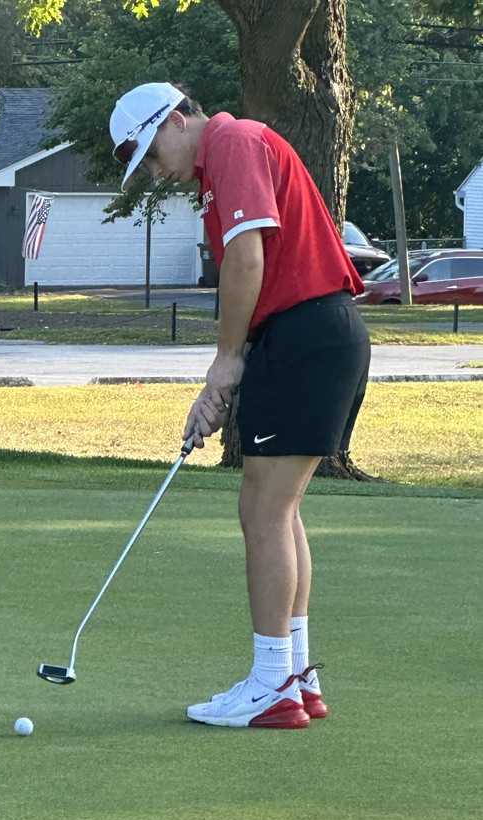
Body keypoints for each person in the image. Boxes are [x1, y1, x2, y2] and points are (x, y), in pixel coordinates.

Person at [109, 82, 370, 729]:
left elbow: (246, 260)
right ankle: (294, 676)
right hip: (308, 336)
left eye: (148, 154)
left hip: (307, 334)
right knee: (278, 510)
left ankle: (272, 683)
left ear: (174, 119)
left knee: (261, 509)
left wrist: (224, 365)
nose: (152, 171)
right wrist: (229, 373)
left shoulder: (233, 142)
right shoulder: (218, 167)